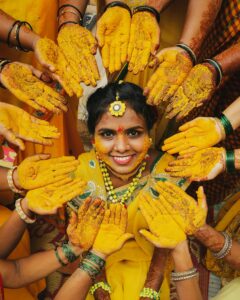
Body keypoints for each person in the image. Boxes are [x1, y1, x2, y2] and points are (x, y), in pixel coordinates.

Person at [66, 81, 190, 300]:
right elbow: (83, 239)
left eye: (133, 133)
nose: (121, 147)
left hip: (151, 268)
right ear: (93, 138)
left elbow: (167, 242)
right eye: (107, 134)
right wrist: (99, 286)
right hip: (96, 264)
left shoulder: (168, 170)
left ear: (149, 134)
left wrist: (150, 289)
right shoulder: (82, 171)